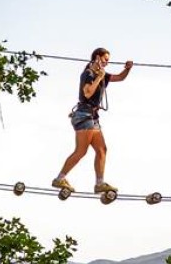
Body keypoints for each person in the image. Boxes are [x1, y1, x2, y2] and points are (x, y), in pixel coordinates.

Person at [52, 47, 134, 193]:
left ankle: (99, 183)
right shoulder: (88, 73)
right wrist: (99, 77)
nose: (107, 62)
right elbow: (88, 93)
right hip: (84, 115)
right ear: (97, 57)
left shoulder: (101, 75)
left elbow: (120, 77)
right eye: (105, 59)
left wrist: (127, 69)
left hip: (93, 117)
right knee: (81, 151)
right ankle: (59, 179)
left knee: (102, 150)